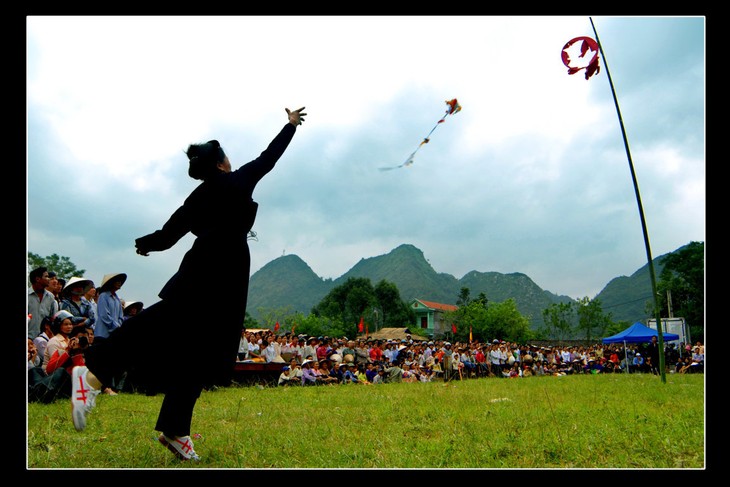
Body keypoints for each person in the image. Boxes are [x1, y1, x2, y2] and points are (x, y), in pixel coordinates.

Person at [71, 106, 306, 462]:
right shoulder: (237, 181)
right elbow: (269, 157)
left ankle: (176, 430)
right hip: (219, 274)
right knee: (159, 325)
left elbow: (168, 235)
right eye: (226, 156)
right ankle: (90, 376)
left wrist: (144, 244)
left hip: (207, 269)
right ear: (220, 163)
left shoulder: (197, 197)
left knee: (199, 353)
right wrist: (289, 126)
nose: (231, 159)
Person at [94, 273, 127, 343]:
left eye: (120, 281)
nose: (119, 283)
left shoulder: (117, 299)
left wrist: (119, 326)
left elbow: (121, 316)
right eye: (117, 281)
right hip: (102, 334)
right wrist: (116, 327)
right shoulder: (103, 296)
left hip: (114, 334)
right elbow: (104, 315)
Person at [28, 267, 59, 339]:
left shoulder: (50, 297)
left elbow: (52, 319)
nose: (48, 279)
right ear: (38, 279)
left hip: (44, 340)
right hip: (28, 339)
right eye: (46, 277)